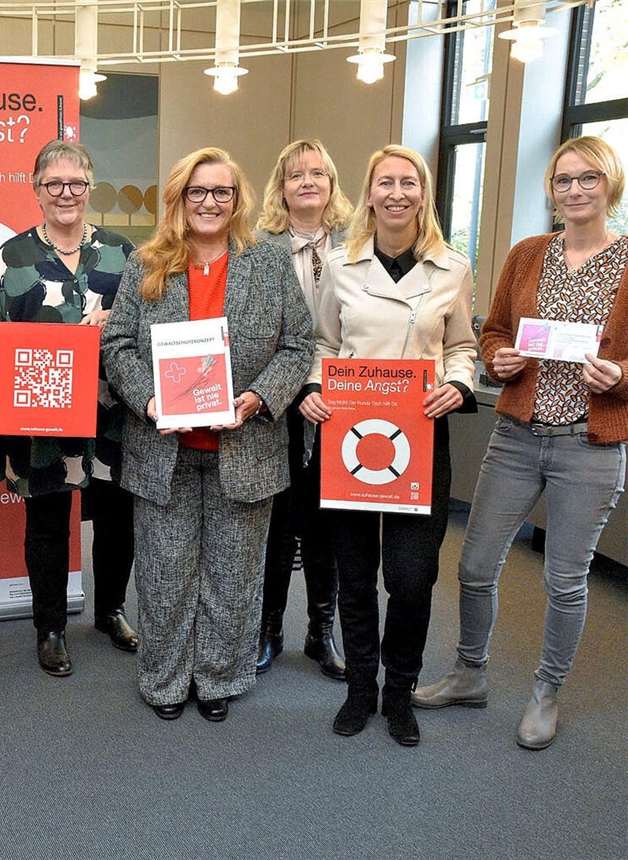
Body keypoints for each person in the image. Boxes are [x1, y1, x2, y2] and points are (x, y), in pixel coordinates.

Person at [413, 136, 626, 750]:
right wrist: (497, 358)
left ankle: (546, 693)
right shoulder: (529, 253)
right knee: (475, 565)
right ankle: (469, 673)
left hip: (589, 445)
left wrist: (621, 379)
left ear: (609, 184)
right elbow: (497, 329)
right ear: (551, 190)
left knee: (564, 579)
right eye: (564, 180)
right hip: (516, 434)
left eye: (589, 178)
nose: (576, 190)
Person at [101, 147, 314, 722]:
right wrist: (149, 399)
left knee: (233, 574)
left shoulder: (268, 264)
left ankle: (218, 676)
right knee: (165, 574)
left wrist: (257, 399)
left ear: (238, 200)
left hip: (245, 448)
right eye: (197, 192)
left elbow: (299, 347)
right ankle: (165, 679)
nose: (209, 203)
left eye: (222, 192)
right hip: (162, 449)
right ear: (179, 199)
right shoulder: (146, 262)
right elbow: (115, 344)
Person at [299, 144, 477, 746]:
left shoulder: (452, 267)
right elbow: (322, 345)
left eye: (409, 183)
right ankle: (359, 688)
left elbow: (463, 348)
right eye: (385, 182)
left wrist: (457, 383)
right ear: (368, 192)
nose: (397, 193)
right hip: (349, 441)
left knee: (411, 577)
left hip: (422, 439)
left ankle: (399, 691)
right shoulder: (340, 266)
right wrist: (312, 391)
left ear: (423, 194)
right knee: (354, 576)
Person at [0, 139, 138, 678]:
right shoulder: (11, 257)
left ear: (89, 188)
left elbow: (150, 326)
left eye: (76, 184)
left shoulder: (122, 253)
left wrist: (115, 325)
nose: (66, 194)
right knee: (46, 521)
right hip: (38, 421)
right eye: (53, 184)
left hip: (110, 414)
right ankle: (49, 627)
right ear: (36, 189)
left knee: (117, 519)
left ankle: (110, 610)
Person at [254, 139, 353, 680]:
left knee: (326, 524)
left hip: (341, 405)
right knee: (278, 523)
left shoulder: (357, 246)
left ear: (332, 184)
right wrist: (293, 388)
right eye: (296, 175)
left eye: (318, 173)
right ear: (282, 187)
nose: (308, 182)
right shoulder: (259, 249)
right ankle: (269, 629)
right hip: (277, 403)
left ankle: (321, 632)